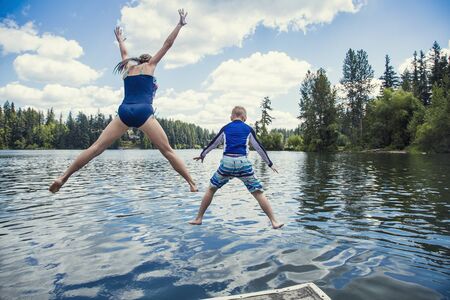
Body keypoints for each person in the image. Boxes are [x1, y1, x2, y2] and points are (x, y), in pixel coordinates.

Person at [49, 9, 197, 193]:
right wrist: (180, 24)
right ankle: (191, 183)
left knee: (95, 148)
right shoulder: (150, 66)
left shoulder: (127, 68)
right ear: (149, 60)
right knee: (167, 151)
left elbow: (124, 52)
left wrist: (120, 40)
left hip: (125, 111)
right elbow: (167, 44)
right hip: (144, 112)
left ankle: (63, 177)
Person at [189, 106, 284, 229]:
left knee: (211, 189)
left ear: (231, 117)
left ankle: (198, 218)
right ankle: (274, 221)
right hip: (243, 164)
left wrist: (203, 155)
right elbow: (259, 148)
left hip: (227, 163)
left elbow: (214, 143)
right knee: (258, 192)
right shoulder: (248, 129)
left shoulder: (226, 128)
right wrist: (270, 164)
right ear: (245, 118)